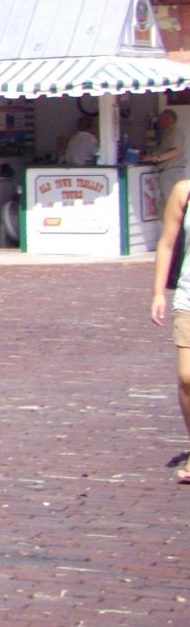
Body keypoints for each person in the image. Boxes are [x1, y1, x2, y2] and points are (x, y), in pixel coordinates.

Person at [146, 176, 190, 484]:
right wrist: (159, 292)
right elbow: (167, 243)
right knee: (187, 378)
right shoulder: (184, 191)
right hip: (189, 297)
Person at [145, 108, 184, 188]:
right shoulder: (166, 133)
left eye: (160, 119)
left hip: (172, 171)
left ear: (167, 119)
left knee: (172, 200)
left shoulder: (174, 132)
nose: (158, 121)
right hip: (167, 172)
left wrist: (157, 158)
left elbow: (175, 151)